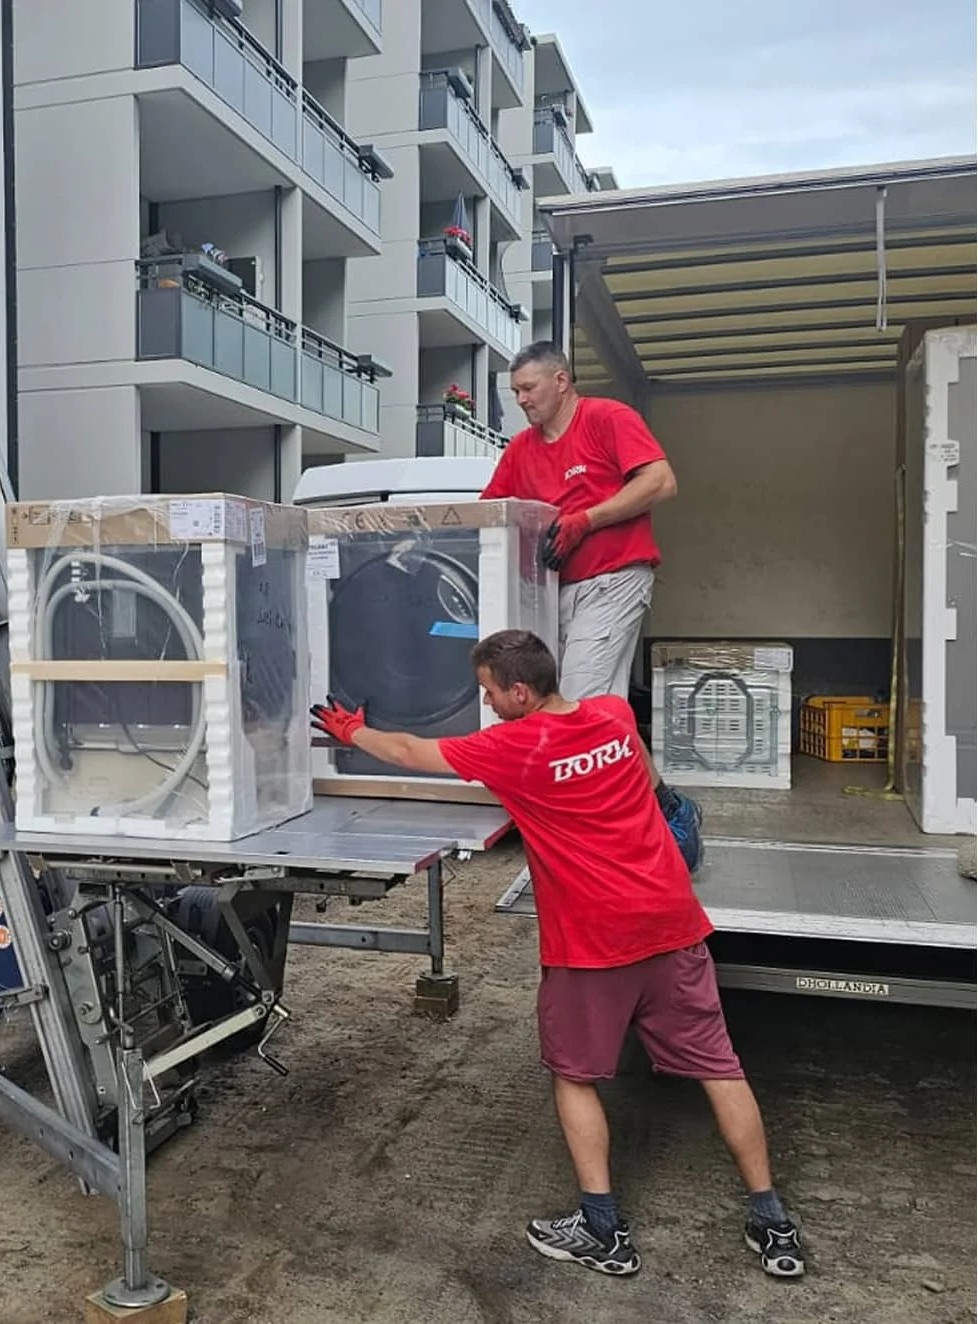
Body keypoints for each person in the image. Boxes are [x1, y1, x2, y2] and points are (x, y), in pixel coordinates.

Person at [308, 629, 805, 1281]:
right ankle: (771, 1220)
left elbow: (409, 750)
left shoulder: (514, 748)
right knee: (721, 1068)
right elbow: (653, 781)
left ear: (519, 691)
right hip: (671, 924)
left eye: (489, 693)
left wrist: (350, 734)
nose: (485, 705)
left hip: (593, 946)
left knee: (576, 1076)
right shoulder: (614, 714)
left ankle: (604, 1231)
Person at [482, 341, 677, 704]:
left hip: (613, 581)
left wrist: (585, 521)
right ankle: (622, 759)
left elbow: (661, 482)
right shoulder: (520, 449)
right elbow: (489, 516)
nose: (521, 400)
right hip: (550, 592)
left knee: (575, 698)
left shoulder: (607, 418)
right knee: (578, 706)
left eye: (528, 388)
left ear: (560, 381)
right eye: (515, 392)